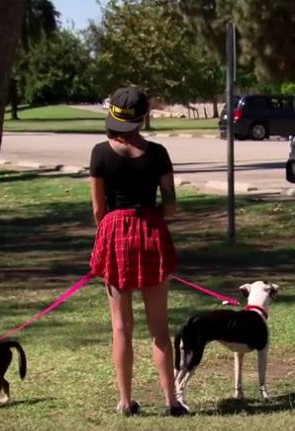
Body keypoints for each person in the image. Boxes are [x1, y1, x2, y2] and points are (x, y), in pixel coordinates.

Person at [88, 86, 189, 417]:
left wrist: (115, 226)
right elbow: (171, 207)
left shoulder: (100, 153)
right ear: (143, 118)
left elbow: (98, 210)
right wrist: (147, 217)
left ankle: (125, 401)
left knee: (121, 326)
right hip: (151, 235)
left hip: (115, 236)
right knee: (159, 328)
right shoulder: (158, 154)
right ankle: (172, 402)